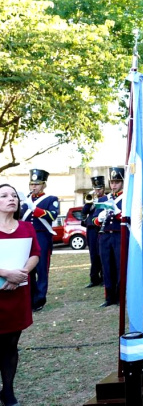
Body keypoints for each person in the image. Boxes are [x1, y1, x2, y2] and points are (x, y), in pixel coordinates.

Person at [0, 183, 40, 406]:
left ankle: (8, 391)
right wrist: (6, 273)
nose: (11, 199)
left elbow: (35, 253)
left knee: (11, 344)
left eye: (14, 195)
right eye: (4, 195)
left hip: (17, 294)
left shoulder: (26, 227)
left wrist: (21, 273)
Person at [18, 169, 58, 312]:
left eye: (37, 184)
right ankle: (30, 298)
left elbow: (52, 216)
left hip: (42, 236)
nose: (33, 187)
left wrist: (34, 209)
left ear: (43, 185)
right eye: (32, 184)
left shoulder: (51, 199)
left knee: (41, 268)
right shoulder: (25, 201)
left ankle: (40, 299)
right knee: (28, 269)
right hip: (27, 237)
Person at [93, 167, 124, 307]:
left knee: (120, 266)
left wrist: (118, 212)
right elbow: (93, 220)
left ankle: (120, 296)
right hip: (104, 236)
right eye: (112, 182)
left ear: (122, 182)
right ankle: (109, 297)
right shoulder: (104, 199)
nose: (114, 185)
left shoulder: (127, 198)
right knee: (106, 266)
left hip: (119, 235)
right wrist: (99, 219)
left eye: (117, 182)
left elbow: (131, 219)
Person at [81, 175, 106, 289]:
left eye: (99, 189)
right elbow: (84, 212)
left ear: (103, 188)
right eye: (95, 189)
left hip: (101, 228)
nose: (97, 191)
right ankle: (94, 278)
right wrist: (89, 203)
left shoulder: (106, 199)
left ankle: (104, 278)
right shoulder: (90, 199)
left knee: (102, 253)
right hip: (91, 229)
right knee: (93, 254)